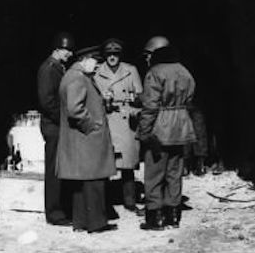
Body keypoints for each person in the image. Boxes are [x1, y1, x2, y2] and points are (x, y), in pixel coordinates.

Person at [136, 36, 196, 231]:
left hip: (159, 130)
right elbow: (189, 98)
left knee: (154, 174)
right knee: (174, 173)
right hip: (181, 128)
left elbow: (150, 106)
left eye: (148, 55)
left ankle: (155, 218)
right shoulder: (184, 71)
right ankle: (173, 216)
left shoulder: (154, 72)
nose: (146, 59)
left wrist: (144, 132)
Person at [56, 44, 117, 233]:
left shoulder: (75, 76)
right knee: (95, 182)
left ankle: (81, 222)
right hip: (87, 140)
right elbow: (75, 109)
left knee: (82, 185)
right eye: (95, 61)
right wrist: (91, 125)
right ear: (85, 60)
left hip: (81, 141)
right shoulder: (78, 78)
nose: (98, 65)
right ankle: (97, 223)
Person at [94, 38, 143, 211]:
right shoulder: (97, 72)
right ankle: (106, 203)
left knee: (128, 164)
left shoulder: (131, 70)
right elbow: (92, 97)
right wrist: (103, 100)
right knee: (107, 162)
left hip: (126, 118)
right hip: (108, 118)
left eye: (115, 54)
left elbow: (140, 96)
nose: (112, 57)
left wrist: (135, 99)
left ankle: (129, 201)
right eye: (109, 54)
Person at [37, 30, 75, 226]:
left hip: (58, 124)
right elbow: (47, 101)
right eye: (66, 50)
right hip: (54, 126)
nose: (69, 54)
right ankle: (54, 213)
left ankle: (61, 208)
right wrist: (63, 120)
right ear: (57, 49)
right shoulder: (49, 69)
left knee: (60, 168)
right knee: (54, 170)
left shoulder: (59, 67)